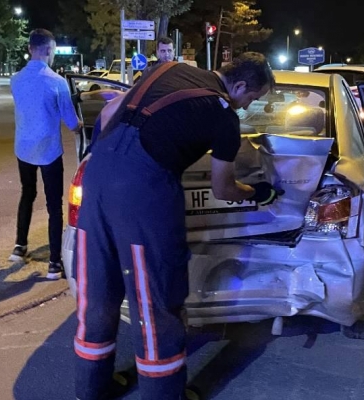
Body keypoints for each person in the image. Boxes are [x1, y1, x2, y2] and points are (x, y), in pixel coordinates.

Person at [73, 53, 276, 400]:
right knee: (155, 297)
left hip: (96, 175)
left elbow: (109, 111)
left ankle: (92, 389)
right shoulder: (223, 116)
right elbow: (223, 188)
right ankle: (163, 394)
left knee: (98, 290)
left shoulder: (169, 69)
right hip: (142, 193)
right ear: (240, 85)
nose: (246, 107)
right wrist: (256, 191)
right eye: (252, 99)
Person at [9, 29, 82, 280]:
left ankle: (20, 246)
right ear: (49, 50)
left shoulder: (15, 80)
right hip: (49, 151)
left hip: (23, 149)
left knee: (27, 194)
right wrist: (82, 125)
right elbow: (71, 122)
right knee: (54, 206)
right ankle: (54, 263)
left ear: (30, 48)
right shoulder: (57, 82)